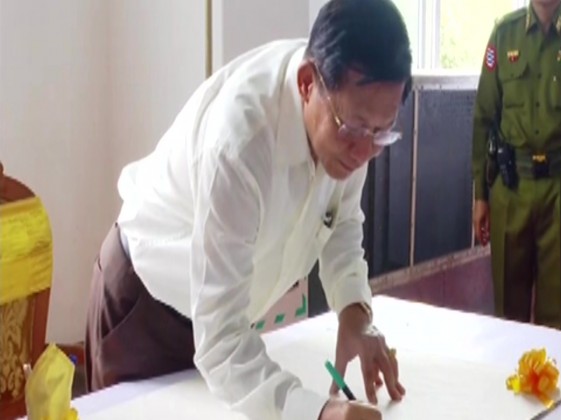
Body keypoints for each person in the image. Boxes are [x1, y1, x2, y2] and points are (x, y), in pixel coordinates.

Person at [84, 1, 411, 419]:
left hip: (222, 321)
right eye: (355, 129)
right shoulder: (240, 143)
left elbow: (340, 221)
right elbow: (220, 341)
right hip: (147, 311)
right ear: (307, 83)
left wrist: (354, 313)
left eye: (382, 133)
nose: (364, 151)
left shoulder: (347, 120)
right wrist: (318, 413)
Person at [472, 0, 561, 331]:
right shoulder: (504, 34)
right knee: (509, 314)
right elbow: (484, 118)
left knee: (557, 316)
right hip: (511, 189)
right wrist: (480, 195)